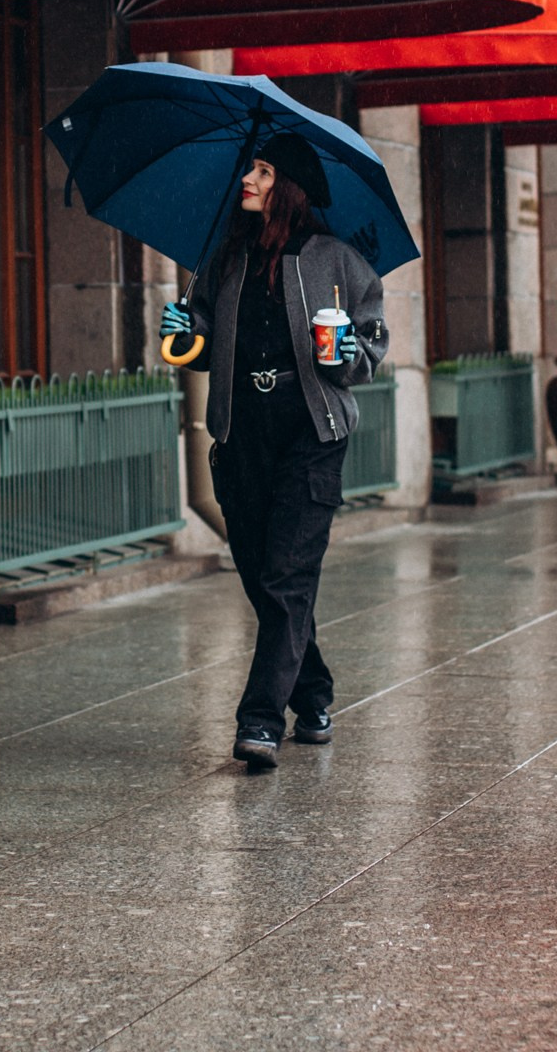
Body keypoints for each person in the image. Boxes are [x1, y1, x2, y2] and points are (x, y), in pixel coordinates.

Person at [160, 133, 387, 772]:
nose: (248, 182)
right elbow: (205, 343)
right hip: (241, 434)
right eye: (250, 170)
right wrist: (185, 335)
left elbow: (371, 342)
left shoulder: (338, 261)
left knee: (288, 576)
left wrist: (350, 356)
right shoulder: (225, 258)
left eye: (262, 172)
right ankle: (312, 694)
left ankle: (260, 719)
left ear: (288, 185)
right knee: (264, 578)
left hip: (311, 435)